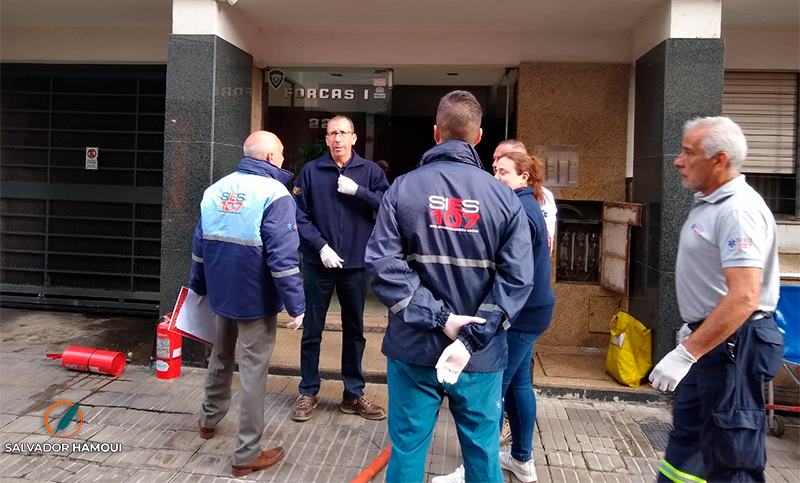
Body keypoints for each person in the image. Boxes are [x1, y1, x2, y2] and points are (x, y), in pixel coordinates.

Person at [365, 90, 534, 483]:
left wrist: (439, 319)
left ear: (436, 133)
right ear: (478, 138)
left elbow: (382, 264)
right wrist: (472, 337)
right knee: (482, 451)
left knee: (407, 450)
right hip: (480, 355)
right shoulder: (503, 199)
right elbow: (518, 279)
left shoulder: (403, 189)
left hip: (413, 349)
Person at [650, 116, 784, 483]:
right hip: (712, 342)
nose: (678, 160)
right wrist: (692, 336)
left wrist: (687, 351)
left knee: (730, 454)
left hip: (733, 347)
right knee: (689, 443)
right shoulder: (710, 201)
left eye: (688, 152)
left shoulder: (737, 211)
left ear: (719, 160)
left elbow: (744, 297)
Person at [188, 131, 305, 478]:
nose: (284, 159)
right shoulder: (275, 194)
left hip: (220, 293)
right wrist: (296, 305)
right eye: (281, 153)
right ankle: (246, 453)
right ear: (270, 158)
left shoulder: (216, 189)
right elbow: (283, 259)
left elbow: (198, 246)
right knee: (253, 372)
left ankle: (208, 420)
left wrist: (199, 288)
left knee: (220, 356)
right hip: (255, 298)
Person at [290, 115, 390, 422]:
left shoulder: (370, 171)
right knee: (312, 329)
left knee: (355, 330)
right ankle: (308, 390)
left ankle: (353, 394)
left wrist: (358, 191)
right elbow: (297, 213)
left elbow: (388, 205)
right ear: (327, 138)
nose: (337, 139)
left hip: (356, 263)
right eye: (333, 133)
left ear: (354, 138)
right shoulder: (311, 171)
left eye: (343, 133)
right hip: (319, 263)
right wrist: (320, 245)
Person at [492, 151, 555, 483]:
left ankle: (481, 467)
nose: (497, 176)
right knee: (519, 384)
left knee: (493, 391)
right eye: (494, 169)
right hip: (534, 311)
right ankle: (521, 460)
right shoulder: (530, 206)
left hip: (521, 314)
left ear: (524, 177)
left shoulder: (521, 210)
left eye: (504, 171)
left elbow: (513, 272)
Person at [493, 140, 557, 252]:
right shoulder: (504, 195)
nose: (494, 164)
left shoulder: (528, 204)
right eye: (494, 159)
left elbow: (547, 244)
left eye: (501, 158)